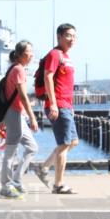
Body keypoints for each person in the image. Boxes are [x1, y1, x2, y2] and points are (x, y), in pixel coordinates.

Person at [35, 23, 78, 194]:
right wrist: (53, 103)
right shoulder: (55, 54)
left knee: (72, 142)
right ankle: (58, 184)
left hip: (66, 105)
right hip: (58, 105)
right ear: (59, 36)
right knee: (64, 144)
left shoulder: (66, 56)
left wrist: (71, 107)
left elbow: (66, 84)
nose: (72, 39)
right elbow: (48, 77)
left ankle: (43, 168)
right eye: (68, 35)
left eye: (74, 36)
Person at [0, 40, 39, 198]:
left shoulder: (15, 68)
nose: (32, 54)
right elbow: (22, 96)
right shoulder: (18, 70)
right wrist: (33, 117)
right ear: (22, 55)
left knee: (32, 147)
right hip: (14, 114)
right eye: (30, 51)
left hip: (16, 114)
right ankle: (5, 187)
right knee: (10, 152)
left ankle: (16, 178)